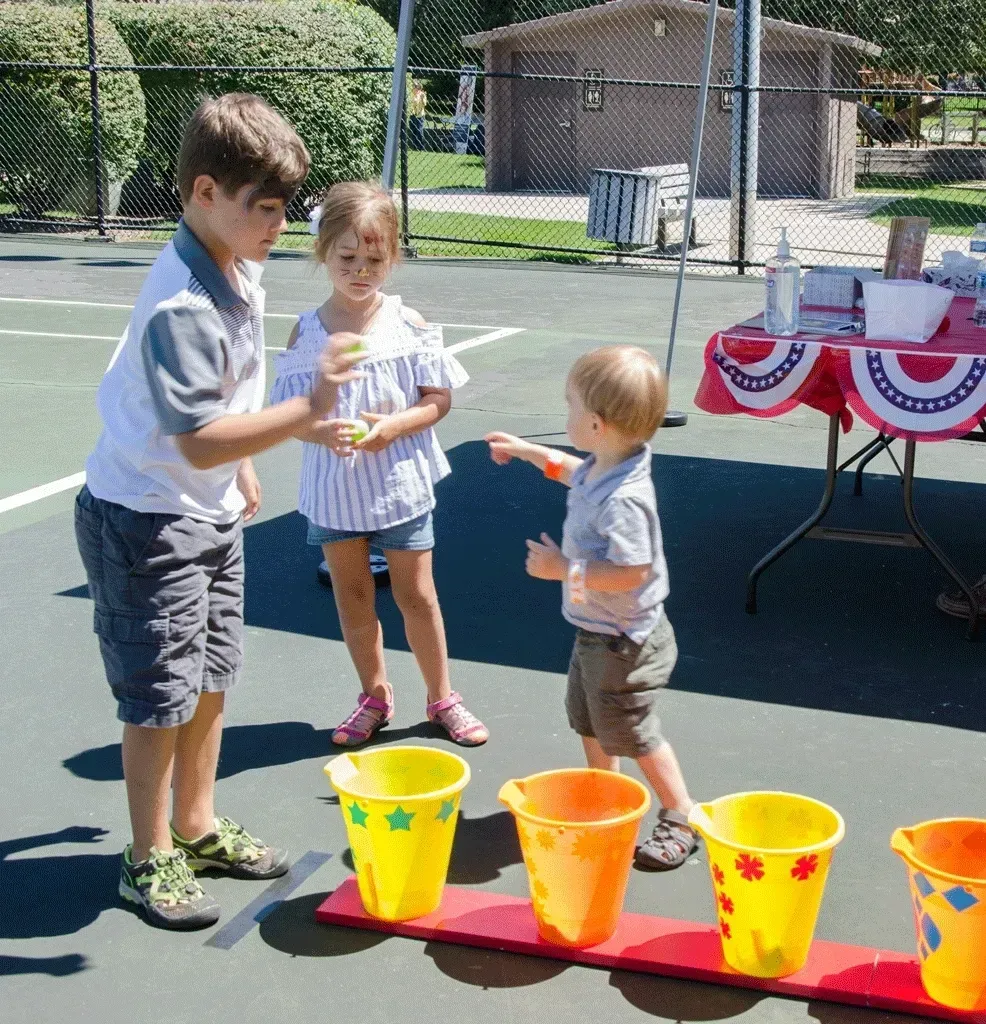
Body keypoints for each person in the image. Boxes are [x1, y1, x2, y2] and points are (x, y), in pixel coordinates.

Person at [75, 94, 364, 930]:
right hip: (146, 521)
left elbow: (226, 413)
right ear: (206, 192)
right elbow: (197, 438)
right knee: (157, 698)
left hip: (205, 512)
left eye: (284, 206)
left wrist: (239, 469)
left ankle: (196, 825)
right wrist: (308, 412)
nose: (281, 223)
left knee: (210, 678)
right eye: (264, 207)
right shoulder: (181, 309)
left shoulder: (240, 269)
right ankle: (148, 854)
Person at [270, 181, 488, 748]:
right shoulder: (307, 332)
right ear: (323, 251)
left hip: (400, 487)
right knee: (353, 596)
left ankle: (442, 697)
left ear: (392, 257)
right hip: (335, 491)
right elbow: (289, 416)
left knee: (417, 596)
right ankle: (374, 695)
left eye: (375, 259)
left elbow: (437, 400)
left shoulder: (409, 325)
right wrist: (323, 430)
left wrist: (390, 427)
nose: (361, 270)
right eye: (347, 257)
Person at [486, 346, 699, 870]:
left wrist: (565, 570)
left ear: (598, 425)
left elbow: (635, 571)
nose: (565, 417)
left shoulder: (624, 499)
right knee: (589, 719)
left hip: (626, 641)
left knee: (631, 730)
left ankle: (681, 814)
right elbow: (568, 469)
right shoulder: (607, 464)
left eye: (570, 409)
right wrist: (526, 450)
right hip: (597, 631)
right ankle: (607, 797)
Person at [409, 82, 427, 150]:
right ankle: (415, 146)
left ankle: (421, 146)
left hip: (420, 115)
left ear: (418, 88)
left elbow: (424, 104)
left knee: (419, 131)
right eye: (413, 86)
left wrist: (422, 99)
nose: (414, 88)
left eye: (415, 87)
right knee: (413, 130)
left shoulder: (422, 94)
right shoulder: (411, 94)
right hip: (412, 115)